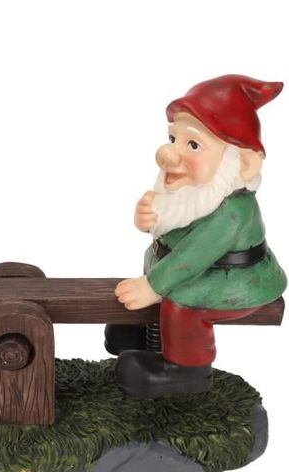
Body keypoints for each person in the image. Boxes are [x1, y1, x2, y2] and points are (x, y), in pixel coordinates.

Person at [108, 74, 287, 399]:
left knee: (184, 300)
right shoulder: (196, 195)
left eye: (193, 145)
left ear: (243, 163)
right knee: (156, 273)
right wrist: (149, 218)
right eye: (173, 138)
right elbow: (174, 220)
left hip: (237, 279)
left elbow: (195, 255)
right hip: (181, 267)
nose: (168, 154)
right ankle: (148, 335)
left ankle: (186, 372)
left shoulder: (232, 210)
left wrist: (153, 286)